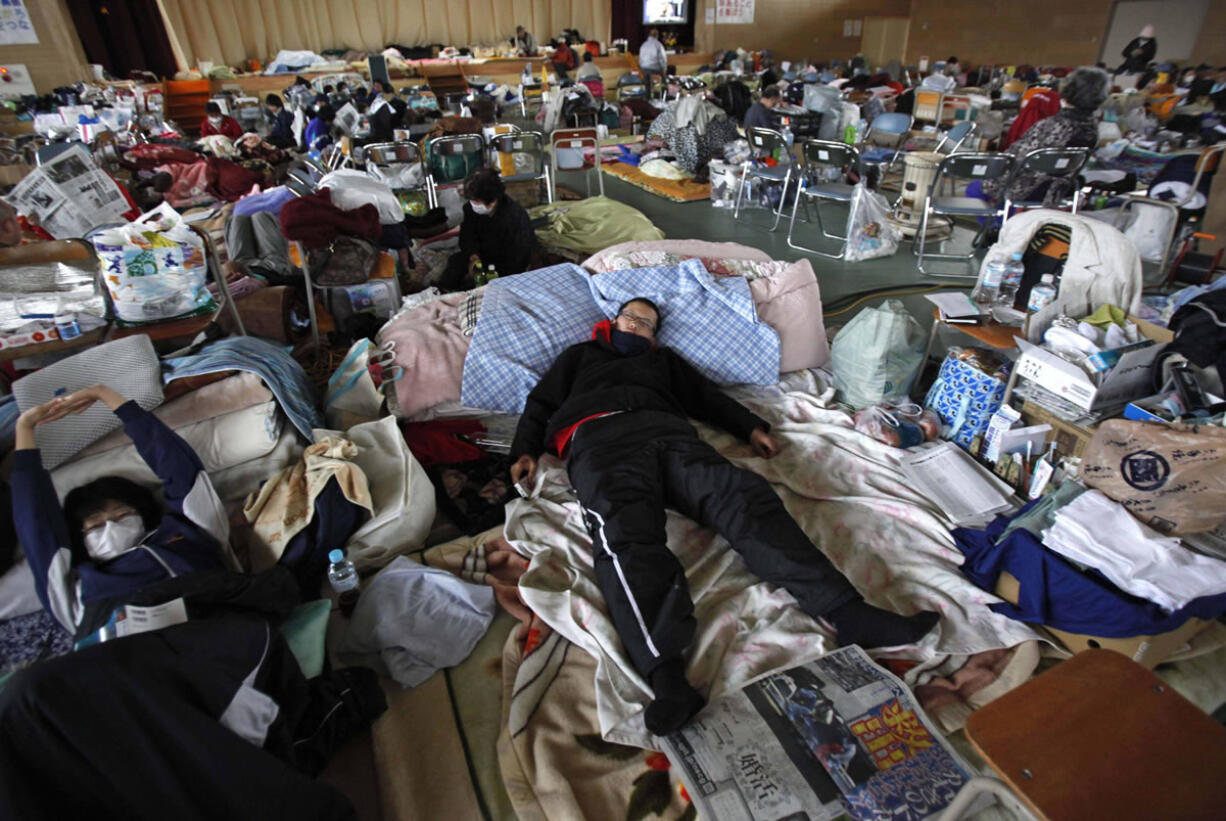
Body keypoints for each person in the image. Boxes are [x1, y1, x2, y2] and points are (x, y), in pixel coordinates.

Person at [508, 299, 940, 734]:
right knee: (624, 533)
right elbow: (540, 402)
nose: (637, 327)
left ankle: (847, 614)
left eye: (647, 325)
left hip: (670, 435)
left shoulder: (665, 363)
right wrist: (523, 450)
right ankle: (666, 676)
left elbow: (705, 398)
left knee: (743, 496)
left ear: (654, 336)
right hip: (599, 439)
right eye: (631, 319)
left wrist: (751, 428)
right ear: (612, 321)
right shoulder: (579, 357)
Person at [975, 66, 1108, 207]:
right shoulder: (1092, 129)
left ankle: (1003, 225)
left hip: (1027, 189)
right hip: (1058, 191)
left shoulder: (1051, 125)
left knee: (975, 189)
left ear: (1068, 90)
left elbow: (1015, 159)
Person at [440, 168, 535, 291]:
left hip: (507, 262)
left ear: (493, 201)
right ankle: (442, 292)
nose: (473, 204)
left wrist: (485, 271)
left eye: (476, 201)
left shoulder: (515, 216)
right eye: (471, 200)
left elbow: (519, 257)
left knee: (483, 285)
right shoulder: (470, 209)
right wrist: (474, 258)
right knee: (455, 263)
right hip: (481, 256)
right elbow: (467, 235)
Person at [639, 28, 668, 98]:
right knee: (663, 82)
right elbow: (662, 59)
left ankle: (647, 99)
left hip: (644, 69)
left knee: (647, 86)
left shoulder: (643, 45)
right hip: (655, 69)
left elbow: (640, 59)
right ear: (657, 36)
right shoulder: (658, 45)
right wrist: (664, 69)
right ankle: (661, 97)